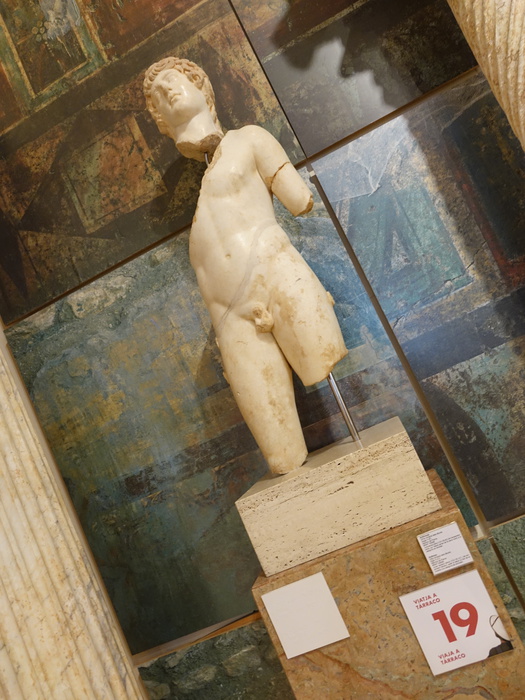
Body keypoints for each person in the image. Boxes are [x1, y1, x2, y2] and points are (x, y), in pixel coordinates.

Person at [144, 57, 347, 475]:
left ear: (201, 85)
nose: (167, 91)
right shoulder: (205, 183)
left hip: (274, 274)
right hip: (228, 317)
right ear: (159, 121)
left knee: (321, 361)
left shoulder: (249, 139)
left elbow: (299, 199)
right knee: (281, 457)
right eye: (158, 95)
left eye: (173, 80)